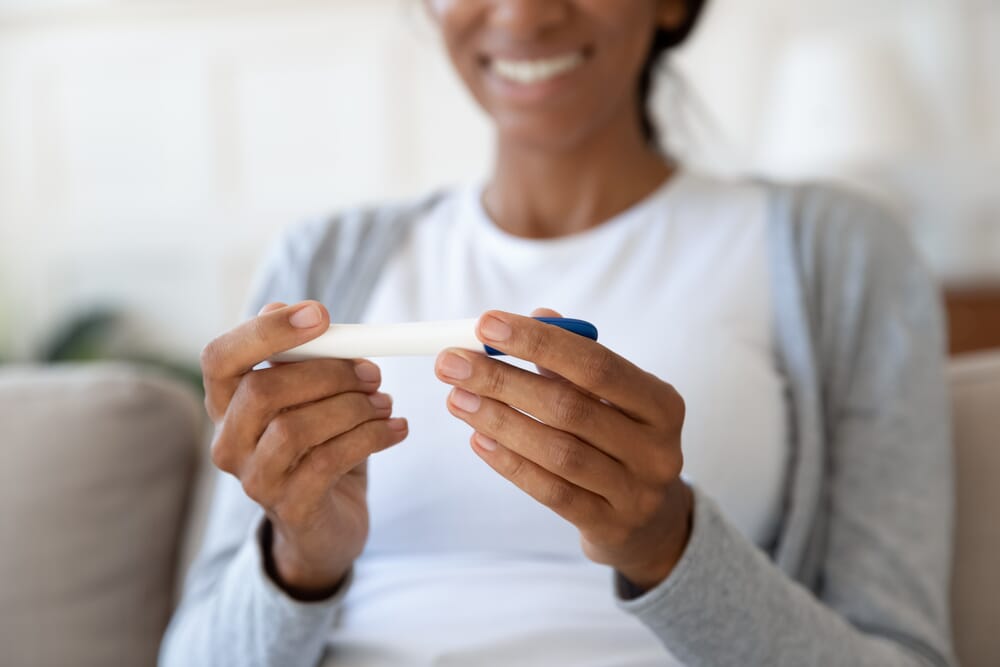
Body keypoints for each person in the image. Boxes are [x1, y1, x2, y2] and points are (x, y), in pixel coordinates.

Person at [160, 1, 956, 665]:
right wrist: (301, 557)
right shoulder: (322, 260)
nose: (524, 12)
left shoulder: (840, 254)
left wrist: (666, 547)